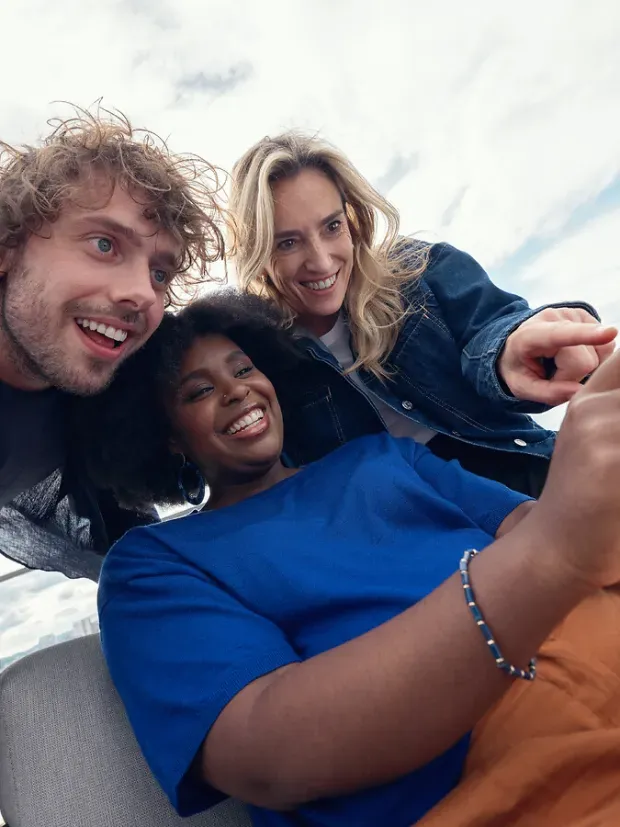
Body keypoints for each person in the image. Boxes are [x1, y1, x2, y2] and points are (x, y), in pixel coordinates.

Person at [86, 292, 620, 826]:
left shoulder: (384, 455)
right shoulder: (152, 565)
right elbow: (270, 754)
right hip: (500, 787)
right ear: (169, 437)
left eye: (244, 369)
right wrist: (551, 553)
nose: (236, 391)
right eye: (200, 391)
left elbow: (538, 526)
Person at [229, 132, 616, 496]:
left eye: (332, 226)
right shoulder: (260, 357)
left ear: (353, 218)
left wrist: (511, 352)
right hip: (406, 538)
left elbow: (492, 327)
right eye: (288, 242)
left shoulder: (417, 269)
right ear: (259, 253)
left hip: (521, 480)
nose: (321, 260)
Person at [0, 107, 225, 580]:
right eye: (104, 244)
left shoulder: (101, 400)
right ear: (7, 246)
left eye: (160, 273)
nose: (144, 293)